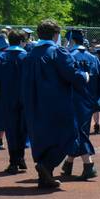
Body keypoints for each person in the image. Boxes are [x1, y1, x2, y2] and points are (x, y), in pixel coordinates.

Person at [21, 19, 90, 189]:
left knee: (42, 137)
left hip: (33, 102)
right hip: (56, 103)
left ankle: (45, 177)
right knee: (70, 135)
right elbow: (70, 73)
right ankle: (46, 166)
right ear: (55, 35)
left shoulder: (29, 54)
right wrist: (84, 76)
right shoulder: (57, 52)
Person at [61, 31, 100, 181]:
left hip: (73, 100)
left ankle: (88, 165)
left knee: (77, 132)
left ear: (72, 40)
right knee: (80, 132)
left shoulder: (68, 57)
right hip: (89, 101)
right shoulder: (93, 58)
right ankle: (68, 163)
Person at [0, 30, 29, 174]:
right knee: (23, 129)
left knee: (11, 129)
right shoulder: (27, 57)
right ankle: (21, 157)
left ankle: (13, 161)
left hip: (7, 98)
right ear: (21, 41)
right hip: (26, 98)